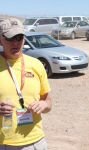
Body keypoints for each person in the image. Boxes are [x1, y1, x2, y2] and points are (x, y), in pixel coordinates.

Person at [0, 17, 52, 149]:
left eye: (19, 38)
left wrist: (43, 104)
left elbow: (48, 103)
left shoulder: (36, 64)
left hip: (35, 142)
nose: (16, 43)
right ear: (0, 39)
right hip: (4, 143)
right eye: (10, 39)